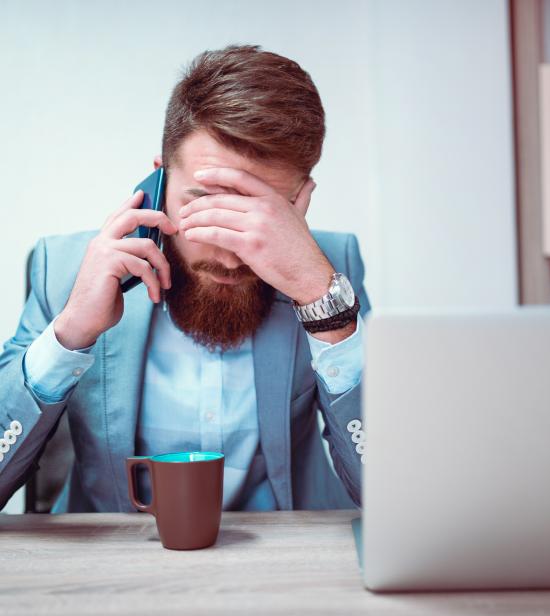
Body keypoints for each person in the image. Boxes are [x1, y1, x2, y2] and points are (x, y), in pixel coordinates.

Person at [0, 45, 369, 513]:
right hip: (111, 566)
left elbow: (396, 497)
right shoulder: (64, 269)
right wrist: (69, 334)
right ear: (158, 182)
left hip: (284, 564)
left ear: (301, 199)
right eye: (205, 204)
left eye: (262, 214)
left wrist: (326, 308)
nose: (230, 248)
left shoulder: (329, 272)